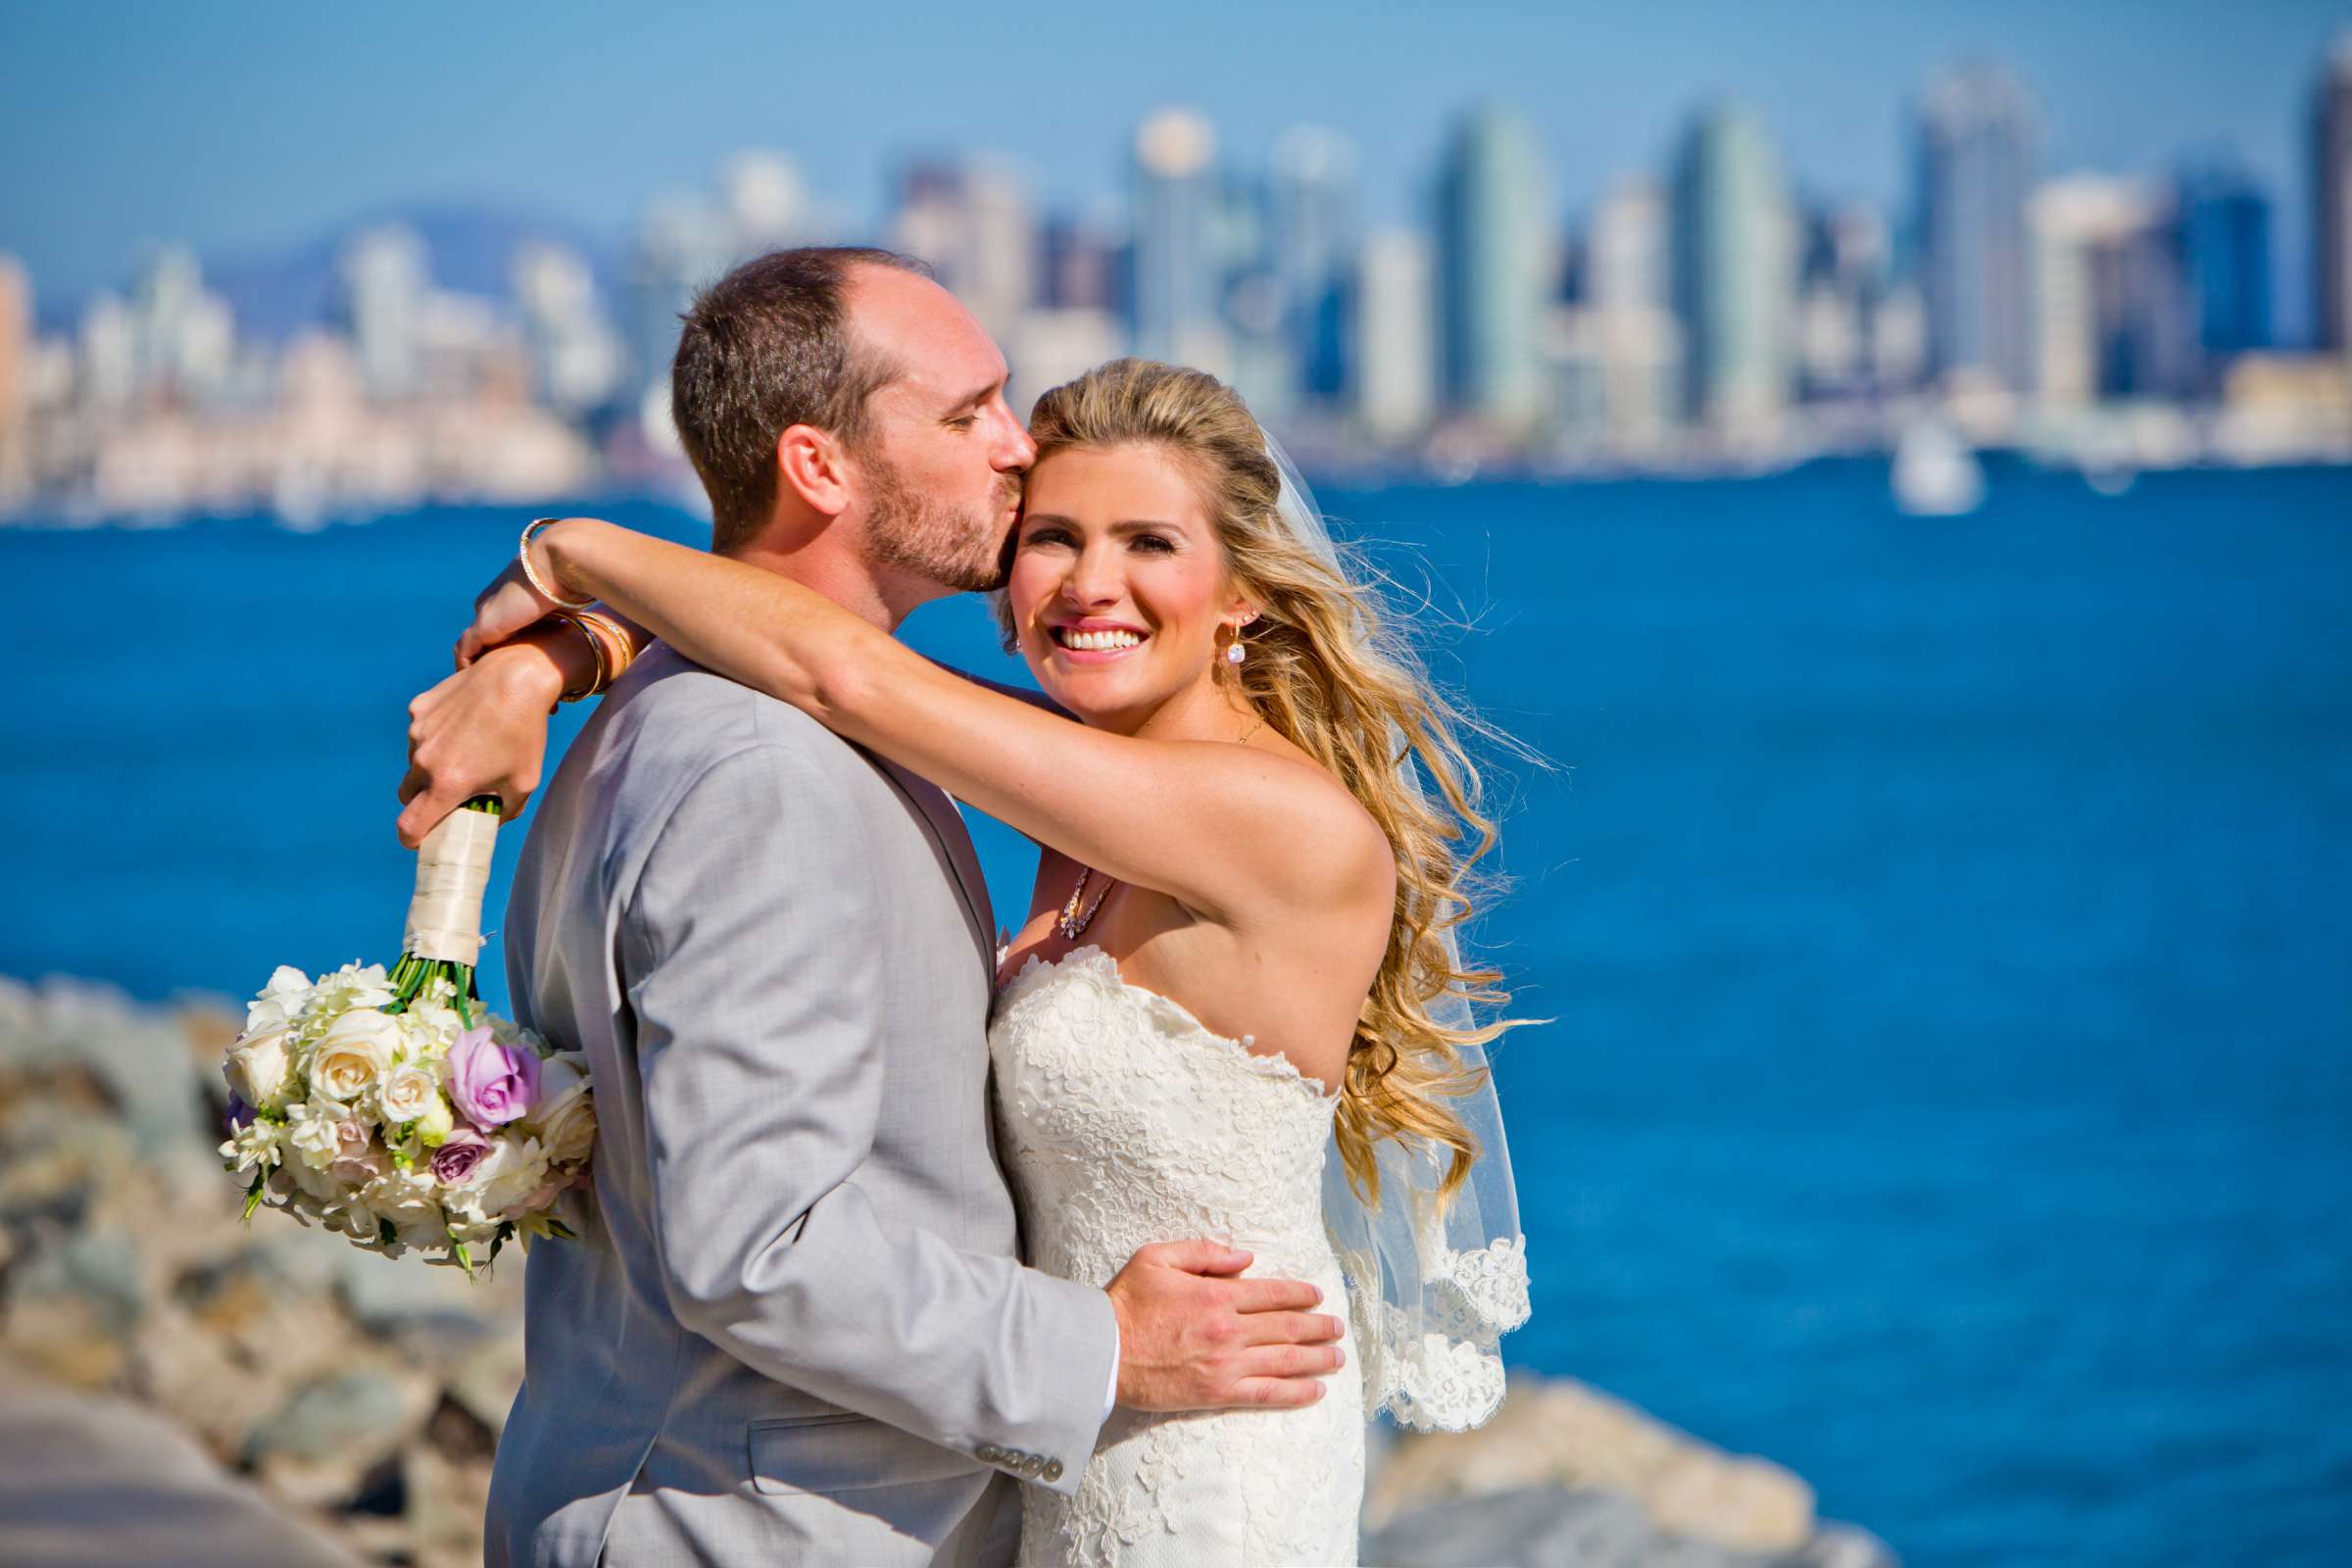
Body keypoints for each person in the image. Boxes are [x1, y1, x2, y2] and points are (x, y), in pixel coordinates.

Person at [399, 249, 1353, 1568]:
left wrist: (575, 603)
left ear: (1240, 584)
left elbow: (840, 669)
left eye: (1147, 541)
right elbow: (759, 1245)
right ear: (821, 468)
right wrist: (1104, 1348)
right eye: (970, 415)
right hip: (756, 1520)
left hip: (1193, 1454)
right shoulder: (770, 769)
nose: (1016, 456)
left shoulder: (1138, 795)